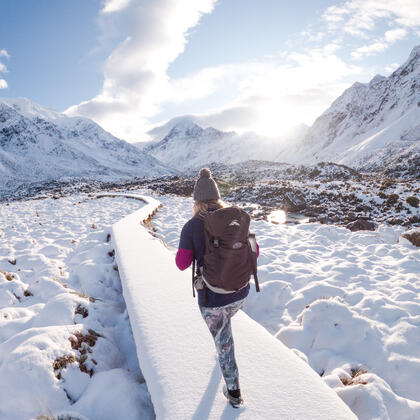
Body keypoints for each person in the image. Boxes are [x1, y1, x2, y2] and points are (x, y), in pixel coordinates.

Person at [175, 168, 255, 408]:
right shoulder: (236, 220)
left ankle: (235, 395)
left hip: (213, 299)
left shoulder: (191, 227)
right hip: (240, 292)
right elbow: (255, 251)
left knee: (225, 345)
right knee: (225, 328)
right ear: (217, 197)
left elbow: (181, 264)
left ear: (196, 201)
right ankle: (222, 341)